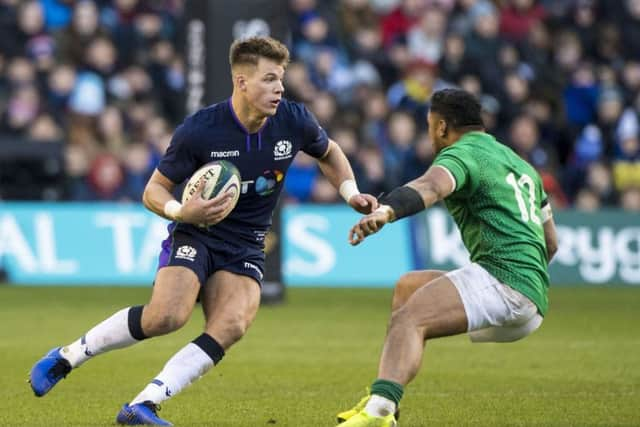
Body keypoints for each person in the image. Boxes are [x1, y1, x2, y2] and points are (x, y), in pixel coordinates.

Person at [29, 36, 378, 426]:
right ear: (242, 82)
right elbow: (153, 190)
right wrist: (184, 211)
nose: (279, 88)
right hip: (198, 232)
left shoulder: (294, 119)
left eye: (280, 78)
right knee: (167, 317)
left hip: (246, 243)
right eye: (268, 79)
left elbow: (328, 152)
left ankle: (143, 405)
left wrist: (350, 192)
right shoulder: (201, 130)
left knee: (232, 324)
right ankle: (68, 356)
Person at [336, 88, 558, 427]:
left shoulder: (462, 154)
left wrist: (386, 210)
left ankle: (378, 413)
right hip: (531, 292)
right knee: (408, 289)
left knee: (409, 320)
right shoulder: (521, 165)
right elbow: (551, 244)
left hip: (504, 282)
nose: (430, 134)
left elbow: (431, 187)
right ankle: (386, 401)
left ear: (441, 127)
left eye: (429, 126)